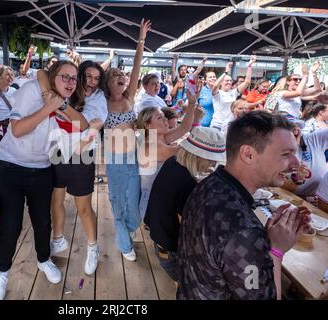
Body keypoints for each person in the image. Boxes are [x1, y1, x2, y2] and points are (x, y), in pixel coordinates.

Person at [177, 111, 310, 300]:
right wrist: (276, 249)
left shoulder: (209, 184)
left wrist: (264, 237)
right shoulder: (244, 232)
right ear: (248, 154)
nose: (296, 163)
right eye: (286, 154)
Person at [0, 61, 80, 300]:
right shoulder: (31, 89)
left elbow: (84, 124)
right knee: (10, 225)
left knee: (42, 221)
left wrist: (60, 106)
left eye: (74, 78)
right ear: (52, 76)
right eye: (65, 77)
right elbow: (17, 130)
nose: (70, 82)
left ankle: (43, 259)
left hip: (41, 169)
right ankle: (2, 273)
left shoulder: (63, 102)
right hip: (10, 166)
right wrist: (48, 106)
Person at [37, 60, 107, 276]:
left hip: (81, 153)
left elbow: (94, 123)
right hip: (57, 148)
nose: (92, 82)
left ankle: (92, 247)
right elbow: (41, 72)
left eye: (96, 78)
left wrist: (88, 135)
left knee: (83, 207)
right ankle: (57, 239)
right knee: (55, 200)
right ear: (78, 75)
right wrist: (50, 95)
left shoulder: (97, 97)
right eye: (87, 76)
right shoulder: (66, 89)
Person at [144, 127, 225, 281]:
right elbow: (191, 229)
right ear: (201, 157)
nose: (214, 163)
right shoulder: (187, 184)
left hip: (160, 239)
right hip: (172, 253)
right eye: (212, 159)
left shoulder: (174, 162)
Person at [103, 19, 151, 262]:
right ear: (108, 84)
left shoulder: (130, 97)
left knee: (135, 203)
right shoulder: (103, 103)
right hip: (114, 160)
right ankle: (124, 243)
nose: (122, 77)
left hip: (133, 156)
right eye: (116, 76)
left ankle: (127, 229)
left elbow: (136, 65)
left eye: (122, 75)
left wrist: (140, 39)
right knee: (116, 202)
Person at [282, 122, 328, 198]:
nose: (294, 131)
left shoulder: (312, 139)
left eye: (296, 128)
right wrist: (296, 179)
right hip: (287, 198)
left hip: (316, 201)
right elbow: (279, 185)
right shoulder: (275, 150)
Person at [210, 56, 255, 130]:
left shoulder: (234, 92)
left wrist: (250, 66)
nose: (229, 82)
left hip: (229, 124)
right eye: (227, 80)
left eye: (230, 81)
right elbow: (215, 85)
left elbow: (247, 82)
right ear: (221, 82)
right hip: (217, 125)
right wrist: (226, 71)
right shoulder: (218, 93)